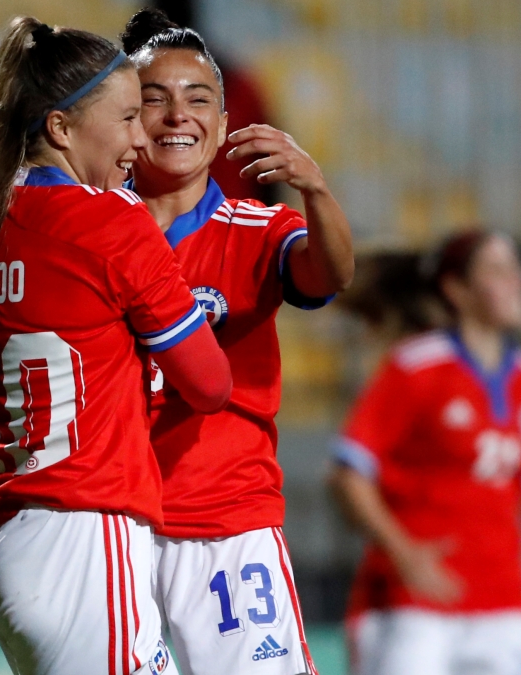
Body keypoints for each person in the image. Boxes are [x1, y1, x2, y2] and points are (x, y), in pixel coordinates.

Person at [0, 17, 232, 675]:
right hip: (85, 531)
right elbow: (210, 383)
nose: (140, 136)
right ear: (62, 129)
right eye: (126, 116)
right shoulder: (109, 220)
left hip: (7, 540)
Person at [120, 9, 352, 675]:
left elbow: (327, 273)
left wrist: (315, 189)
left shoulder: (259, 228)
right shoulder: (93, 229)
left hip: (227, 528)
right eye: (153, 100)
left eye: (198, 100)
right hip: (115, 527)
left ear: (222, 126)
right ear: (127, 120)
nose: (177, 116)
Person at [328, 230, 521, 675]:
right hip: (412, 604)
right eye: (498, 270)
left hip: (502, 605)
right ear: (457, 290)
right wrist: (402, 551)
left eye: (516, 268)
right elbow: (350, 474)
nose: (518, 280)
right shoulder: (416, 368)